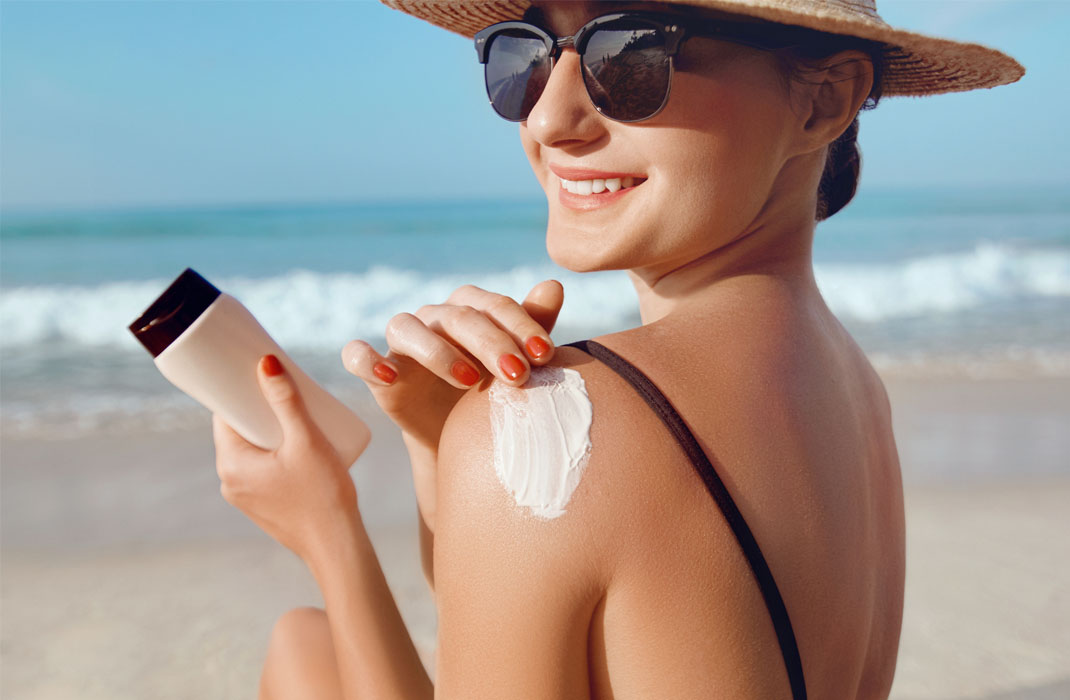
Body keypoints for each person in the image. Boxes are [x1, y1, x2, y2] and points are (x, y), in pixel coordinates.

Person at [211, 1, 1024, 698]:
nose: (547, 119)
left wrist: (328, 527)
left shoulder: (577, 426)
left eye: (628, 53)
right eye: (522, 56)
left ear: (824, 99)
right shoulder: (851, 383)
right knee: (306, 643)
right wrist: (438, 446)